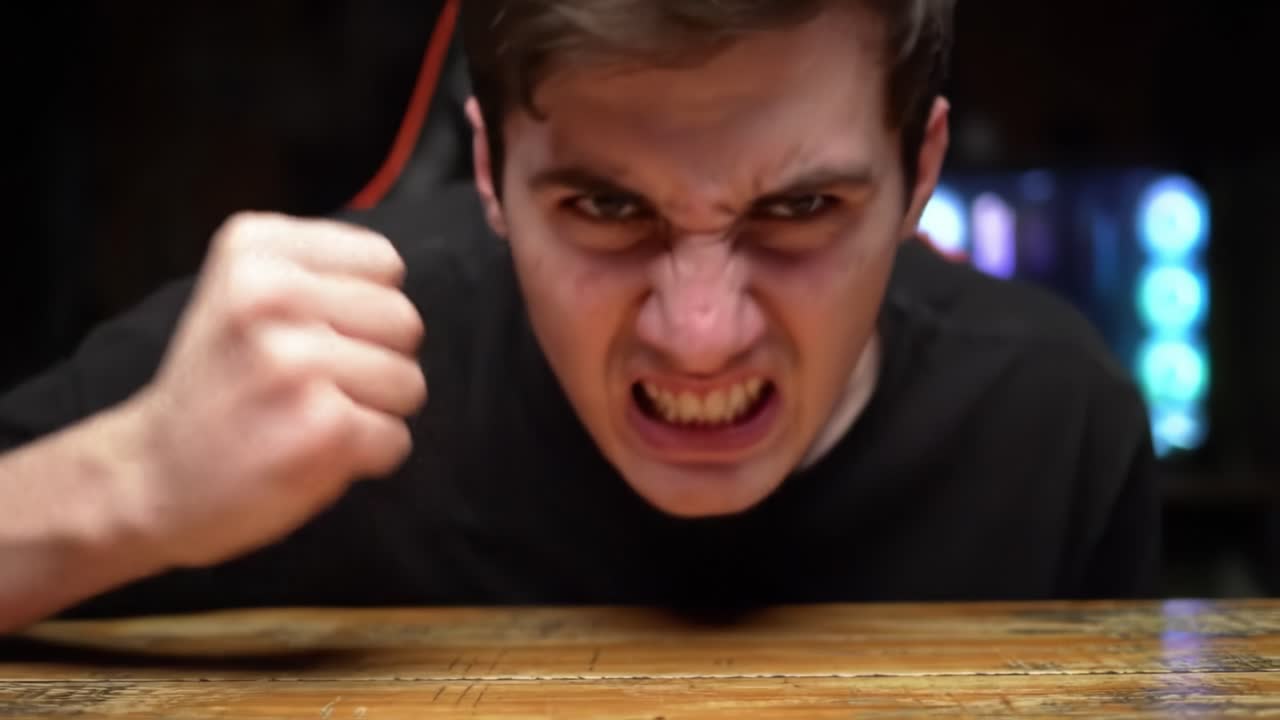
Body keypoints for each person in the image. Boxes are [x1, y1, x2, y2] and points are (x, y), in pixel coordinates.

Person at [0, 0, 1160, 634]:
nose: (697, 334)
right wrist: (135, 480)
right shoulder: (301, 360)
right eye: (605, 206)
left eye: (800, 207)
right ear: (492, 171)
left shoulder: (1052, 428)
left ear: (920, 176)